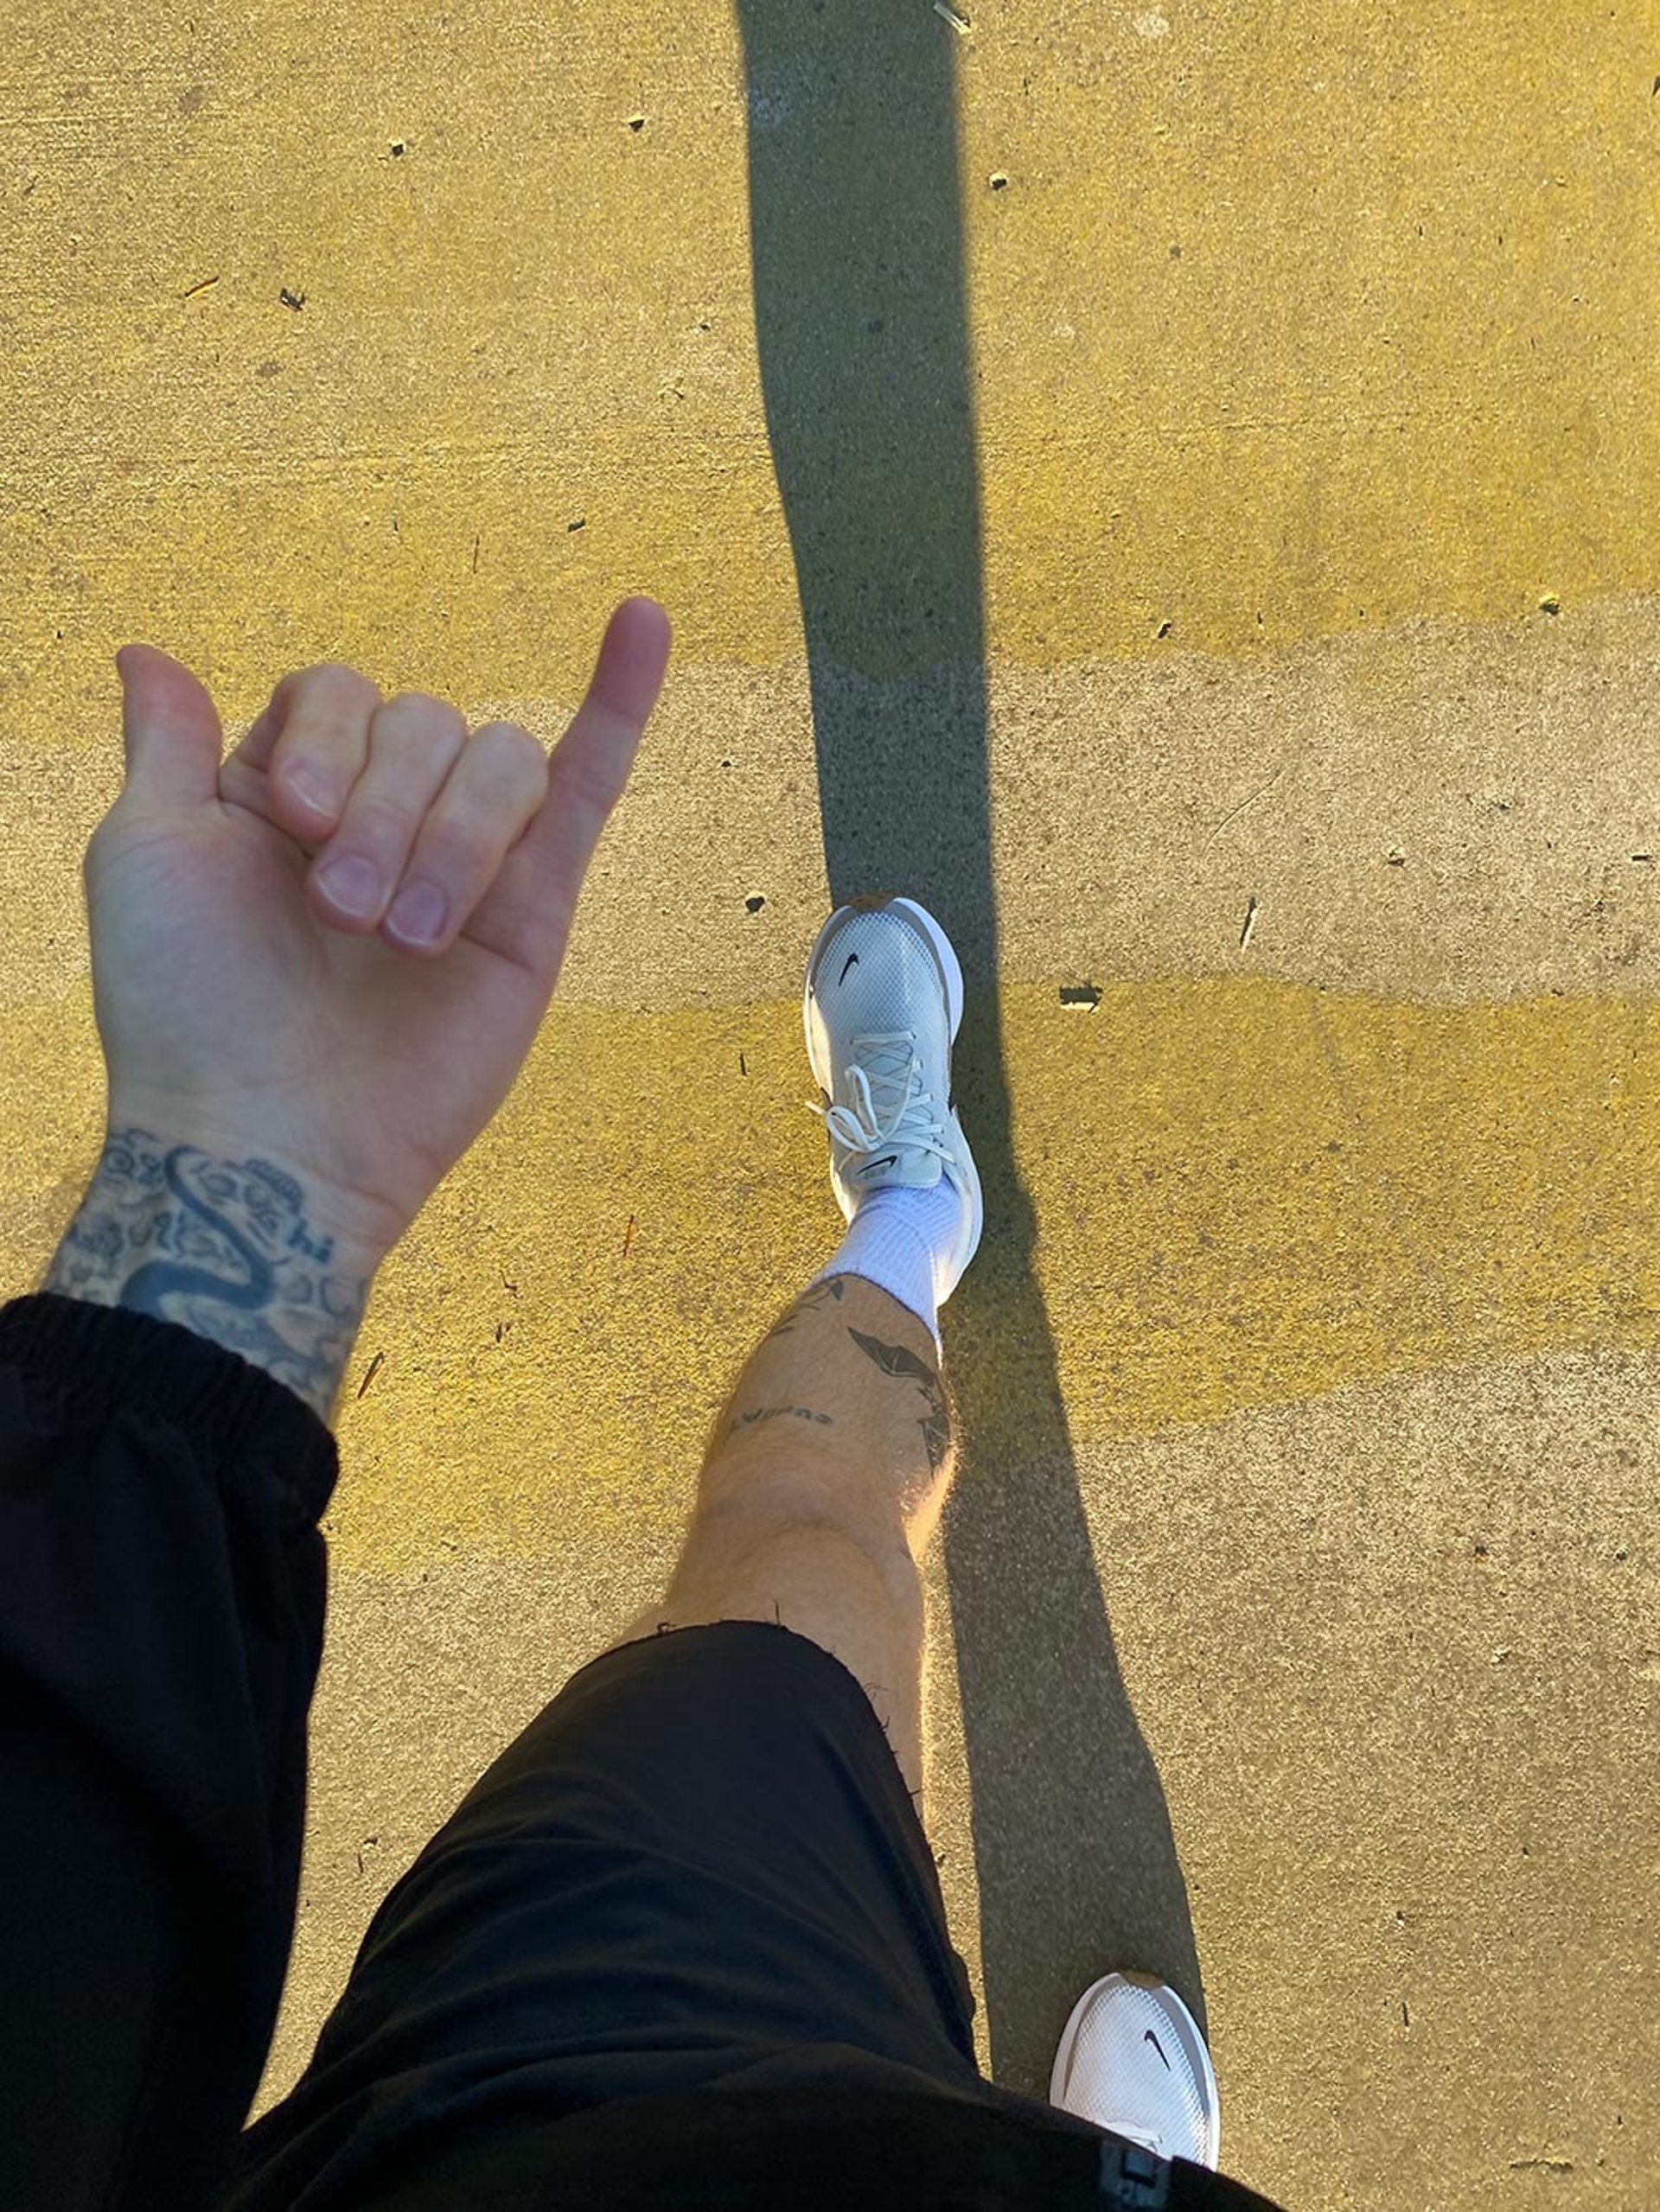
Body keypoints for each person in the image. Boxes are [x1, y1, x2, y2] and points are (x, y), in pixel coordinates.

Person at [0, 602, 1286, 2212]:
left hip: (540, 2105)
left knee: (795, 1543)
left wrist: (240, 1185)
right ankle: (1075, 2170)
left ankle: (914, 1218)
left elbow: (38, 1930)